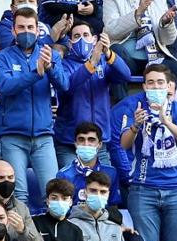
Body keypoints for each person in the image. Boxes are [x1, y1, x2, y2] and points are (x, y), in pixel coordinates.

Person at [0, 7, 67, 208]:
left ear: (37, 30)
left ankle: (50, 239)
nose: (26, 31)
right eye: (21, 27)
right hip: (13, 136)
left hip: (43, 136)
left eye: (30, 27)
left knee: (52, 193)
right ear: (14, 31)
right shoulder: (1, 57)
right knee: (18, 196)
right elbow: (7, 86)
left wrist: (50, 67)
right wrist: (37, 72)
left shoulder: (50, 54)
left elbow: (64, 85)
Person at [118, 65, 177, 241]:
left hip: (176, 189)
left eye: (160, 83)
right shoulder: (136, 109)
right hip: (144, 189)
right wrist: (135, 125)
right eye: (150, 83)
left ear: (169, 86)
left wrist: (167, 121)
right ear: (144, 87)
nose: (155, 87)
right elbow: (124, 144)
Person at [55, 30, 130, 171]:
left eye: (85, 35)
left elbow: (125, 75)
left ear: (94, 39)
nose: (81, 39)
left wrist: (108, 54)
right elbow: (67, 86)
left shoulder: (104, 62)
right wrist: (91, 64)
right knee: (70, 188)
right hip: (69, 143)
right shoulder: (63, 65)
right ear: (70, 43)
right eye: (77, 36)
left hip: (98, 142)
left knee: (103, 186)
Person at [102, 0, 176, 75]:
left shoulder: (159, 0)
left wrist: (166, 23)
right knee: (115, 51)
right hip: (128, 60)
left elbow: (168, 40)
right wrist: (137, 13)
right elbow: (111, 30)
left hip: (156, 60)